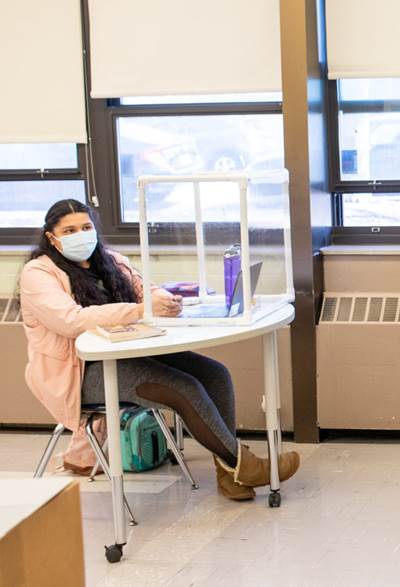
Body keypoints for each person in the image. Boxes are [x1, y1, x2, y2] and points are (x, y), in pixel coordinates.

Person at [18, 199, 300, 501]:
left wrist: (164, 299)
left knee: (214, 374)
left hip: (127, 353)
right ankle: (245, 466)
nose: (81, 235)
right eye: (70, 230)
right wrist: (140, 309)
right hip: (81, 375)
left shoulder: (110, 260)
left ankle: (229, 475)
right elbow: (71, 321)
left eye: (86, 227)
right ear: (52, 237)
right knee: (183, 387)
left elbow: (147, 289)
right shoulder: (38, 273)